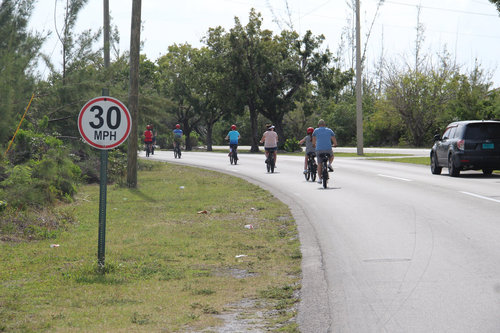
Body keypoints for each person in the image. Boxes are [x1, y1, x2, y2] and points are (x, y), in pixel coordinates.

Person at [312, 119, 337, 183]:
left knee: (319, 164)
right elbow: (334, 140)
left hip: (319, 150)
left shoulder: (315, 131)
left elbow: (313, 141)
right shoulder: (329, 130)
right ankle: (329, 164)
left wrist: (314, 145)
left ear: (318, 125)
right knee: (332, 156)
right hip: (328, 149)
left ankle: (320, 179)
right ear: (325, 124)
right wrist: (334, 144)